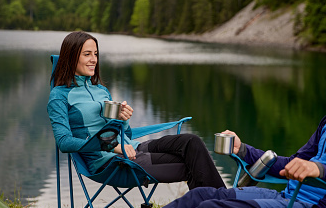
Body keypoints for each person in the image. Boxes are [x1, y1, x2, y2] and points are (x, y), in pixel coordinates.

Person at [118, 40, 326, 208]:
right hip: (288, 198)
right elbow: (291, 164)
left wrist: (318, 169)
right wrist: (243, 150)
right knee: (199, 196)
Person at [48, 31, 225, 190]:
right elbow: (64, 142)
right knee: (196, 167)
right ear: (71, 57)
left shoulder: (101, 90)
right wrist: (113, 146)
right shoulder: (59, 96)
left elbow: (128, 134)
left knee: (191, 142)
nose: (94, 59)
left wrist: (123, 119)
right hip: (112, 164)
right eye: (87, 54)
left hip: (133, 149)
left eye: (95, 54)